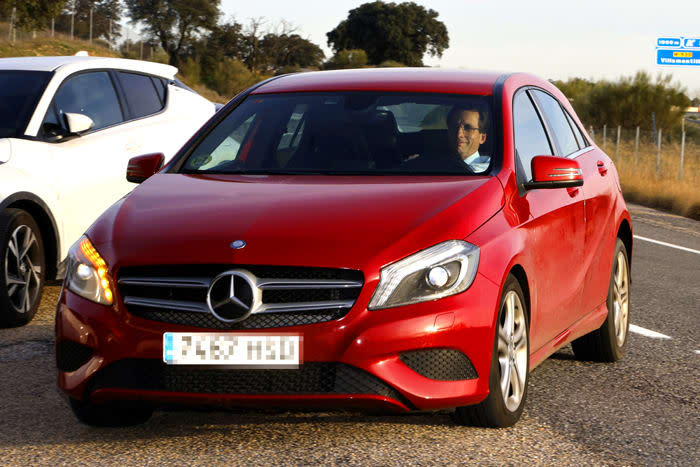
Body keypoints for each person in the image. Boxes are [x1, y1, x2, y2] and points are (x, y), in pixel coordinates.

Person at [446, 103, 491, 172]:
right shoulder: (431, 166)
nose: (459, 134)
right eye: (454, 126)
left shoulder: (488, 169)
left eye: (468, 128)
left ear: (482, 138)